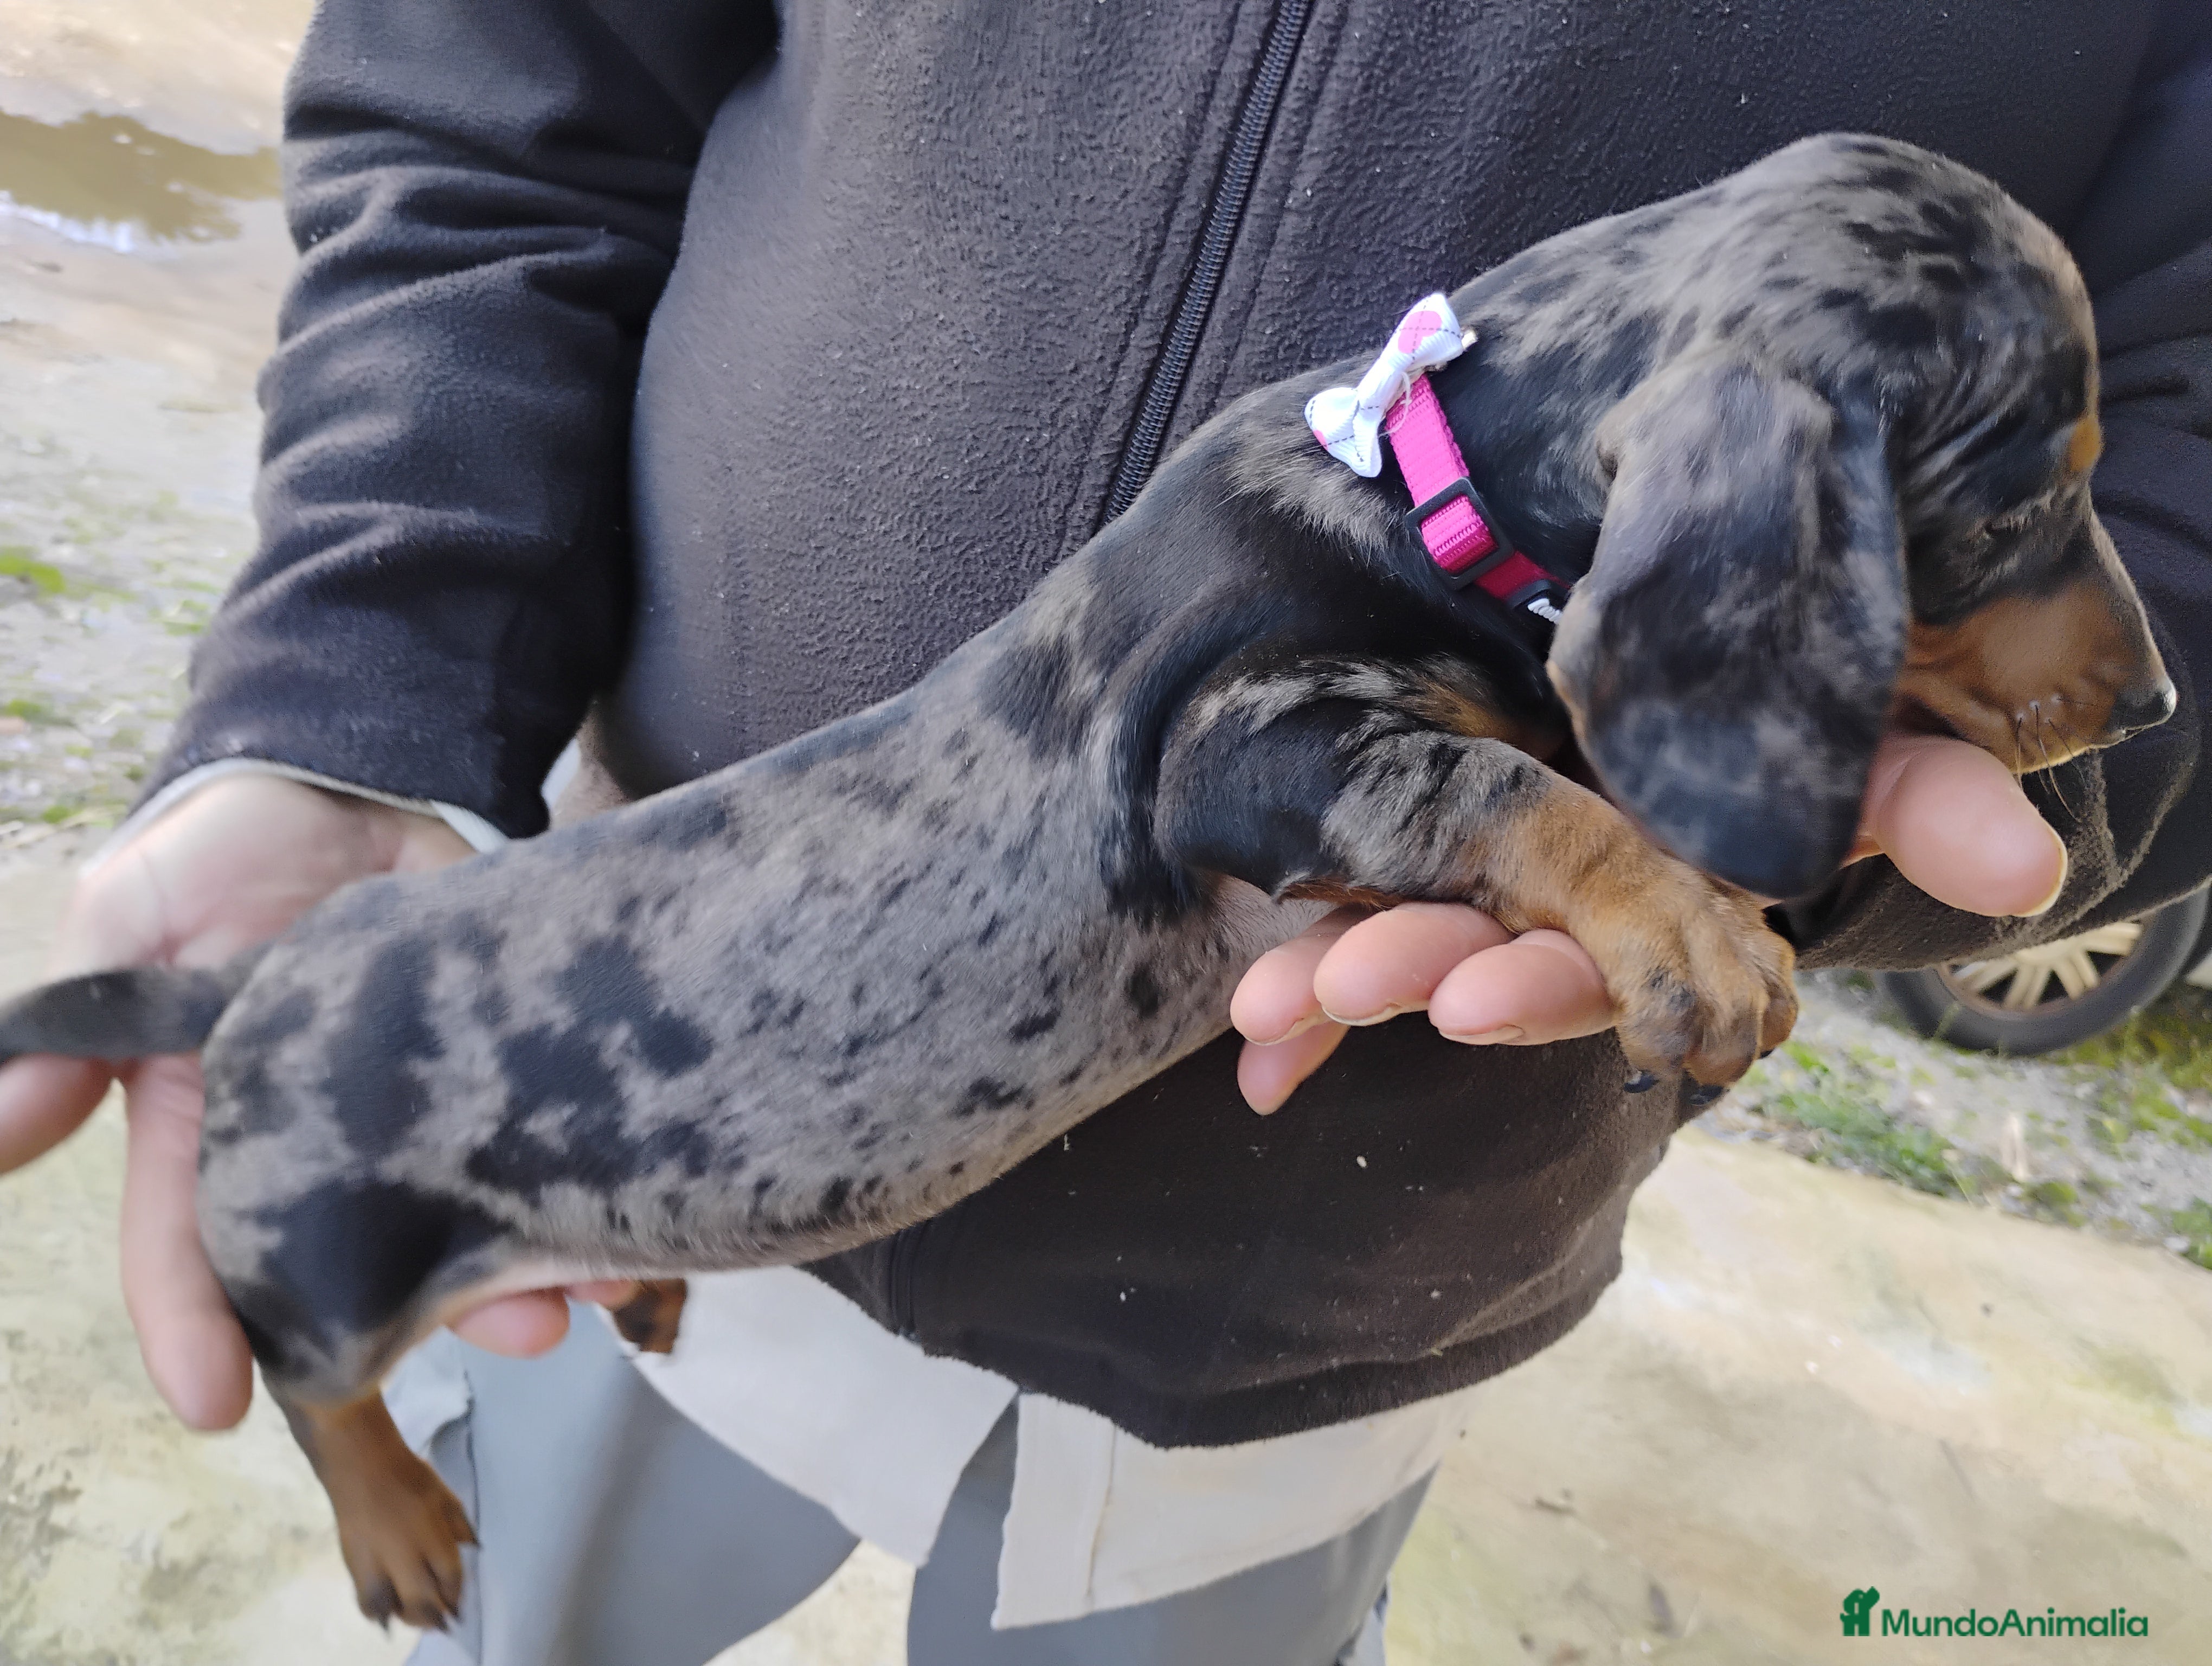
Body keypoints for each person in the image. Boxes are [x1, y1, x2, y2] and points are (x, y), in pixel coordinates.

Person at [3, 2, 2208, 1661]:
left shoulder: (1580, 496)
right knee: (509, 1583)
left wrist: (1786, 786)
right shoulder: (1323, 558)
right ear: (1735, 508)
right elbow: (505, 92)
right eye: (2007, 520)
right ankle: (371, 1451)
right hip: (620, 1099)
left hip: (1311, 1337)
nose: (2108, 656)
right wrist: (360, 691)